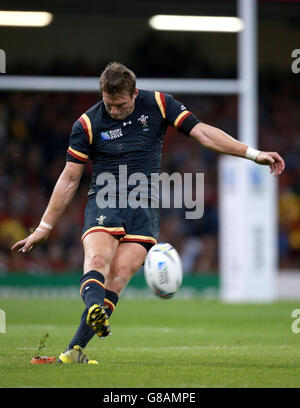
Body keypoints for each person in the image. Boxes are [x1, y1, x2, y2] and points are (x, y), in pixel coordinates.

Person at [11, 62, 285, 364]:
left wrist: (253, 153)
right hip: (106, 198)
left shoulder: (159, 104)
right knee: (99, 261)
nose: (114, 110)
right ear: (102, 94)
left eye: (121, 104)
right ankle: (93, 310)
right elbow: (70, 178)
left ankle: (73, 351)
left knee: (119, 277)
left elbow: (203, 133)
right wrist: (44, 227)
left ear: (134, 93)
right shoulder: (87, 124)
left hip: (144, 207)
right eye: (109, 103)